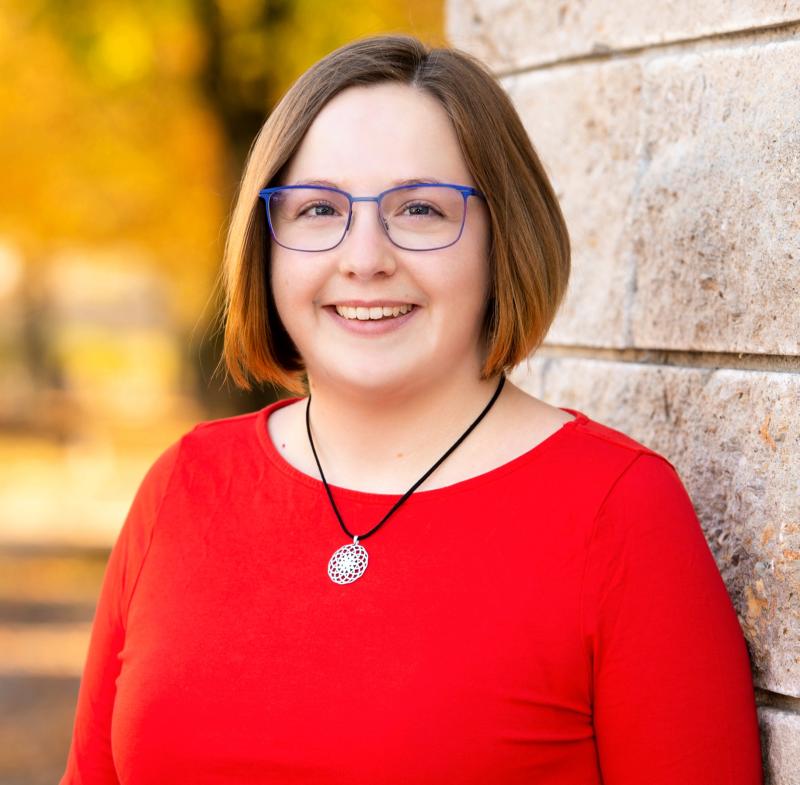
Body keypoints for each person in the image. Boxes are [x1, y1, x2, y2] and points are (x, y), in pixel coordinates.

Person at [60, 34, 763, 785]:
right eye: (318, 208)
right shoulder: (184, 486)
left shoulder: (618, 512)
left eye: (421, 209)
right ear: (267, 244)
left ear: (504, 236)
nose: (365, 259)